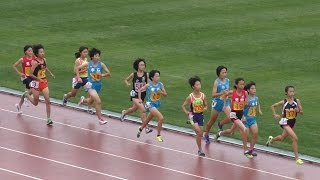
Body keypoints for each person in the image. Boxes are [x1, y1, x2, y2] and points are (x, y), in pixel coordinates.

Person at [266, 86, 304, 165]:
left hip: (292, 122)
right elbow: (273, 106)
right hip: (285, 122)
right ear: (286, 93)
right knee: (295, 138)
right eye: (290, 91)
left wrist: (299, 111)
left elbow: (302, 112)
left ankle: (271, 140)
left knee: (282, 138)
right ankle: (297, 158)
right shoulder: (284, 102)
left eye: (293, 91)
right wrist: (274, 114)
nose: (292, 93)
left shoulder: (297, 101)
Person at [217, 78, 253, 158]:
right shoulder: (232, 92)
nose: (242, 86)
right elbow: (223, 97)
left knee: (231, 131)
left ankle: (220, 133)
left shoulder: (245, 93)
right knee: (244, 129)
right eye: (241, 84)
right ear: (236, 85)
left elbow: (246, 103)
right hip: (233, 114)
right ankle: (245, 150)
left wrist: (248, 104)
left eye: (243, 84)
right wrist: (225, 104)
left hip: (240, 114)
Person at [76, 48, 110, 125]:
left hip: (98, 85)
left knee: (90, 101)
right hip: (90, 85)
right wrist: (78, 77)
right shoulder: (88, 64)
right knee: (98, 101)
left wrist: (102, 75)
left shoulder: (101, 64)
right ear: (92, 56)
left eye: (98, 56)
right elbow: (77, 68)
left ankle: (83, 100)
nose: (98, 57)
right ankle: (100, 119)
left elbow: (109, 73)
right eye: (96, 56)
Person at [23, 44, 55, 125]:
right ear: (37, 54)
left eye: (43, 51)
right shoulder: (35, 63)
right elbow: (30, 74)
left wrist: (50, 73)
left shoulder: (44, 60)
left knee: (48, 100)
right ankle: (26, 94)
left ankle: (48, 119)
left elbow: (44, 67)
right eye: (41, 52)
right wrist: (38, 79)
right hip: (36, 83)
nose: (43, 53)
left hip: (44, 82)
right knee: (35, 103)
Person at [120, 58, 152, 133]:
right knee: (142, 110)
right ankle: (146, 127)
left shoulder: (146, 75)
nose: (143, 66)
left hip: (142, 95)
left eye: (144, 65)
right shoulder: (133, 74)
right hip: (135, 94)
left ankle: (124, 113)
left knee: (134, 109)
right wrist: (127, 83)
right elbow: (125, 80)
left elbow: (149, 84)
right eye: (141, 65)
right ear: (137, 66)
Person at [136, 70, 167, 142]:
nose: (158, 77)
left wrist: (161, 92)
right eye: (156, 76)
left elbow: (165, 94)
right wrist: (140, 99)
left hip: (156, 105)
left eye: (159, 76)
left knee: (147, 120)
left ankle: (140, 129)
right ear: (152, 77)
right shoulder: (148, 85)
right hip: (149, 104)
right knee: (161, 118)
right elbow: (140, 90)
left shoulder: (160, 84)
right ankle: (158, 135)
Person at [204, 66, 231, 144]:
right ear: (219, 73)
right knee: (212, 121)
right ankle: (206, 134)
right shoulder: (217, 82)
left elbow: (227, 91)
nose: (225, 74)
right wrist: (222, 93)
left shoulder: (227, 80)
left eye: (226, 72)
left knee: (230, 118)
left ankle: (220, 124)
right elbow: (213, 94)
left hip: (226, 102)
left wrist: (229, 95)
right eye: (223, 72)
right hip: (218, 103)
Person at [182, 76, 208, 156]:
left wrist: (205, 108)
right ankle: (200, 150)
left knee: (199, 134)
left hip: (200, 116)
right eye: (197, 85)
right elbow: (183, 106)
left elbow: (206, 105)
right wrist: (187, 112)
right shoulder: (190, 97)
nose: (199, 86)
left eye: (199, 84)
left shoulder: (203, 96)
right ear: (193, 86)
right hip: (193, 115)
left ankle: (199, 150)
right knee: (199, 131)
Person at [13, 45, 36, 110]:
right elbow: (14, 66)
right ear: (25, 52)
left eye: (31, 51)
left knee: (28, 91)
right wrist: (20, 73)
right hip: (25, 77)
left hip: (32, 77)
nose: (31, 52)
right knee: (34, 86)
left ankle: (19, 105)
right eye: (29, 51)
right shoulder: (22, 59)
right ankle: (27, 97)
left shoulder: (34, 58)